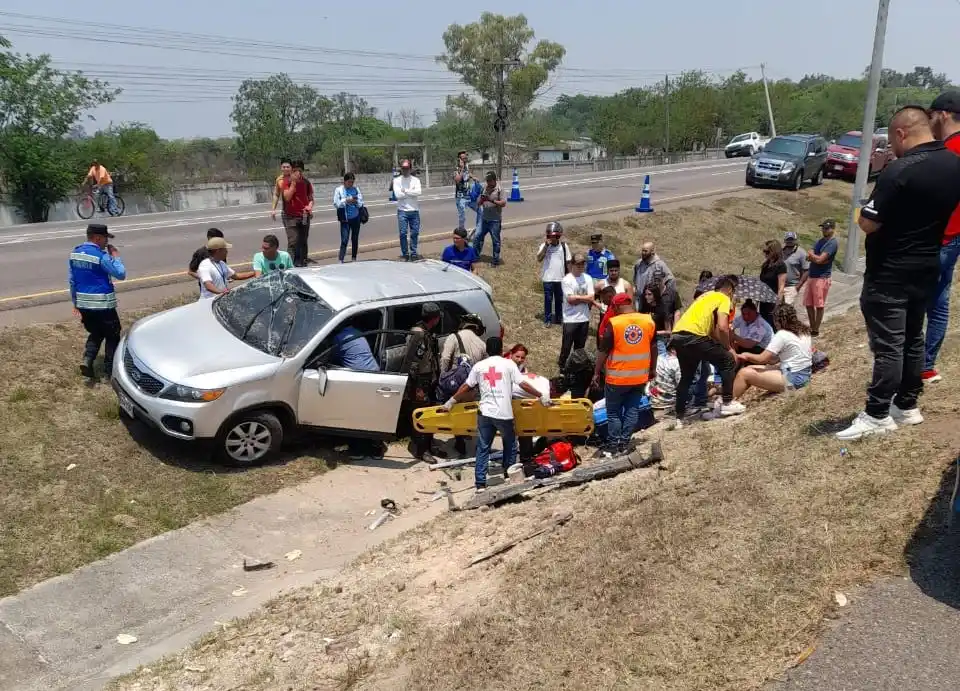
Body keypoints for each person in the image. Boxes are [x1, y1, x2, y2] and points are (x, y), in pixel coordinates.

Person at [837, 106, 960, 441]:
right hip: (927, 264)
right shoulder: (953, 164)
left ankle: (877, 412)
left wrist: (864, 211)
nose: (891, 149)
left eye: (892, 141)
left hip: (890, 271)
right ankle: (906, 404)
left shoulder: (900, 170)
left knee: (889, 344)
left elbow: (869, 222)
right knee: (913, 337)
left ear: (901, 134)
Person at [442, 336, 549, 493]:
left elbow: (467, 386)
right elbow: (523, 383)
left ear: (487, 350)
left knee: (483, 447)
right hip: (503, 413)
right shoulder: (508, 365)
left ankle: (480, 484)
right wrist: (541, 395)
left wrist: (451, 401)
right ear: (501, 350)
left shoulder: (479, 366)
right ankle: (508, 475)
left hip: (484, 413)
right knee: (510, 445)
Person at [669, 275, 744, 427]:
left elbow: (711, 331)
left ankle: (679, 416)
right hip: (695, 336)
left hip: (678, 336)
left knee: (687, 377)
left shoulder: (704, 297)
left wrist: (722, 345)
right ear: (729, 290)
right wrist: (729, 348)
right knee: (727, 360)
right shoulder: (723, 298)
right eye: (733, 292)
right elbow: (723, 327)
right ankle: (728, 402)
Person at [923, 91, 960, 384]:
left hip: (939, 238)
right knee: (938, 303)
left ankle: (914, 367)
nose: (929, 121)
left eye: (931, 115)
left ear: (943, 114)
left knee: (911, 303)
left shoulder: (949, 151)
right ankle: (926, 366)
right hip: (954, 238)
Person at [591, 293, 657, 453]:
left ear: (617, 306)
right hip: (640, 376)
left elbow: (603, 351)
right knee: (632, 409)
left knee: (613, 412)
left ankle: (614, 445)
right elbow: (654, 348)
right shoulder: (648, 321)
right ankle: (625, 443)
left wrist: (596, 372)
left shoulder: (615, 324)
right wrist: (652, 369)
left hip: (617, 378)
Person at [69, 223, 126, 379]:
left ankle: (87, 360)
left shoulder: (75, 253)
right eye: (105, 238)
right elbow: (121, 274)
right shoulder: (101, 256)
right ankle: (110, 369)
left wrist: (76, 303)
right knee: (112, 334)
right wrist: (115, 257)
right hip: (103, 304)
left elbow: (72, 281)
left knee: (96, 332)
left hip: (84, 304)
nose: (106, 242)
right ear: (97, 237)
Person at [733, 303, 812, 400]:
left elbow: (761, 359)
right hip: (805, 375)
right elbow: (778, 358)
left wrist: (746, 355)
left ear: (778, 320)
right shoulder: (804, 330)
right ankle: (736, 393)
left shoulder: (782, 334)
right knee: (750, 367)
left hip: (794, 379)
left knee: (744, 373)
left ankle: (727, 402)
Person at [329, 324, 382, 460]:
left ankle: (358, 450)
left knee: (355, 415)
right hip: (375, 373)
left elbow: (332, 357)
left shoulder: (338, 338)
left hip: (361, 377)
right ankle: (376, 449)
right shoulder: (357, 331)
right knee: (372, 414)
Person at [440, 313, 489, 459]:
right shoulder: (482, 344)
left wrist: (444, 376)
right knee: (466, 411)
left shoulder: (453, 337)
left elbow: (445, 358)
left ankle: (459, 440)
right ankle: (465, 436)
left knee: (454, 410)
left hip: (454, 383)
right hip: (470, 385)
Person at [400, 303, 442, 463]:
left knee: (430, 413)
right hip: (420, 382)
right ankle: (421, 450)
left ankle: (429, 445)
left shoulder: (425, 332)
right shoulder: (419, 335)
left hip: (428, 379)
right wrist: (417, 387)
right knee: (421, 416)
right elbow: (413, 363)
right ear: (435, 318)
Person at [559, 252, 599, 370]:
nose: (581, 266)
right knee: (566, 346)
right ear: (572, 265)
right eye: (578, 264)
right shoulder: (567, 280)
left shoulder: (588, 278)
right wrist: (584, 299)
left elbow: (591, 297)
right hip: (570, 319)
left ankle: (575, 368)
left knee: (580, 348)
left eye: (583, 264)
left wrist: (579, 298)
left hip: (584, 318)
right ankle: (562, 366)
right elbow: (570, 300)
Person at [804, 219, 840, 337]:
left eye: (827, 228)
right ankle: (812, 326)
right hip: (812, 275)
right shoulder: (820, 241)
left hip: (822, 277)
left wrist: (813, 257)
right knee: (808, 304)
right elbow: (810, 254)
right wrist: (814, 256)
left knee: (819, 305)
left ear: (832, 229)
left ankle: (816, 329)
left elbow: (819, 260)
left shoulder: (832, 243)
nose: (824, 230)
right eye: (823, 228)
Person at [280, 160, 314, 267]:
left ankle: (303, 262)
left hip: (303, 215)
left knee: (303, 240)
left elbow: (311, 198)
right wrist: (293, 183)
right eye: (295, 170)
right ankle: (290, 264)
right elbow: (287, 197)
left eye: (299, 171)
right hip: (290, 216)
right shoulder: (286, 182)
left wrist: (310, 206)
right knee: (293, 241)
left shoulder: (306, 183)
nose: (297, 173)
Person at [537, 221, 571, 326]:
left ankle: (558, 318)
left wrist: (569, 276)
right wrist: (546, 247)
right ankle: (547, 319)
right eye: (549, 236)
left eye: (553, 236)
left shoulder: (564, 247)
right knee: (548, 299)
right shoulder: (544, 246)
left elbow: (568, 261)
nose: (551, 238)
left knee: (559, 299)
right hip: (548, 278)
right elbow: (539, 258)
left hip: (560, 278)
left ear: (558, 236)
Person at [472, 171, 506, 266]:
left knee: (495, 241)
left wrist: (491, 200)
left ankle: (495, 260)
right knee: (478, 237)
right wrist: (481, 200)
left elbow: (503, 203)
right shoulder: (484, 188)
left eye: (489, 181)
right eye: (487, 181)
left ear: (494, 180)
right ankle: (475, 256)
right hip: (484, 219)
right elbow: (478, 202)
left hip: (495, 220)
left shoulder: (500, 189)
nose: (488, 183)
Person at [333, 172, 364, 263]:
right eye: (349, 182)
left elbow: (361, 203)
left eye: (352, 182)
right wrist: (346, 200)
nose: (351, 184)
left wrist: (355, 201)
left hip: (356, 218)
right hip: (345, 219)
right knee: (344, 239)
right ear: (344, 181)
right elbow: (336, 204)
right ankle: (341, 259)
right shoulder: (339, 190)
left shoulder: (356, 189)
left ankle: (354, 258)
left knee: (355, 239)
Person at [633, 242, 676, 308]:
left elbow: (671, 279)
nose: (643, 253)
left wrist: (666, 296)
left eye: (645, 251)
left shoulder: (659, 265)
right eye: (642, 250)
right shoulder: (638, 264)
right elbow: (635, 278)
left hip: (653, 301)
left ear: (652, 252)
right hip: (639, 300)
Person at [394, 159, 422, 261]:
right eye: (403, 168)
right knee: (403, 233)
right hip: (402, 211)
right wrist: (411, 193)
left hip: (414, 210)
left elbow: (418, 192)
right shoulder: (397, 181)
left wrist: (405, 191)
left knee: (414, 233)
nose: (405, 170)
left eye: (407, 168)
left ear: (410, 169)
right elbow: (398, 195)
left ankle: (413, 253)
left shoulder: (416, 180)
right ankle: (405, 253)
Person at [758, 239, 786, 325]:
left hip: (773, 301)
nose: (765, 254)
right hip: (764, 300)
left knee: (773, 326)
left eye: (767, 251)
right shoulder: (765, 265)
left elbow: (781, 287)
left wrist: (777, 305)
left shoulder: (781, 266)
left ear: (774, 251)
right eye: (764, 251)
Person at [782, 231, 810, 306]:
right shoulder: (781, 252)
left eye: (792, 239)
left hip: (792, 286)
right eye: (788, 239)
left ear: (795, 240)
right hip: (780, 286)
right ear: (784, 240)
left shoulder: (802, 253)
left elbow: (806, 271)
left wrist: (798, 286)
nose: (790, 241)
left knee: (787, 309)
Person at [453, 150, 472, 230]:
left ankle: (479, 230)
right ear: (459, 159)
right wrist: (461, 168)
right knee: (462, 217)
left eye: (465, 158)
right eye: (463, 158)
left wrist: (473, 177)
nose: (465, 160)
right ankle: (462, 233)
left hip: (469, 195)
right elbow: (457, 180)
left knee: (480, 211)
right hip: (461, 197)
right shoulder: (456, 169)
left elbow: (467, 174)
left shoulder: (467, 166)